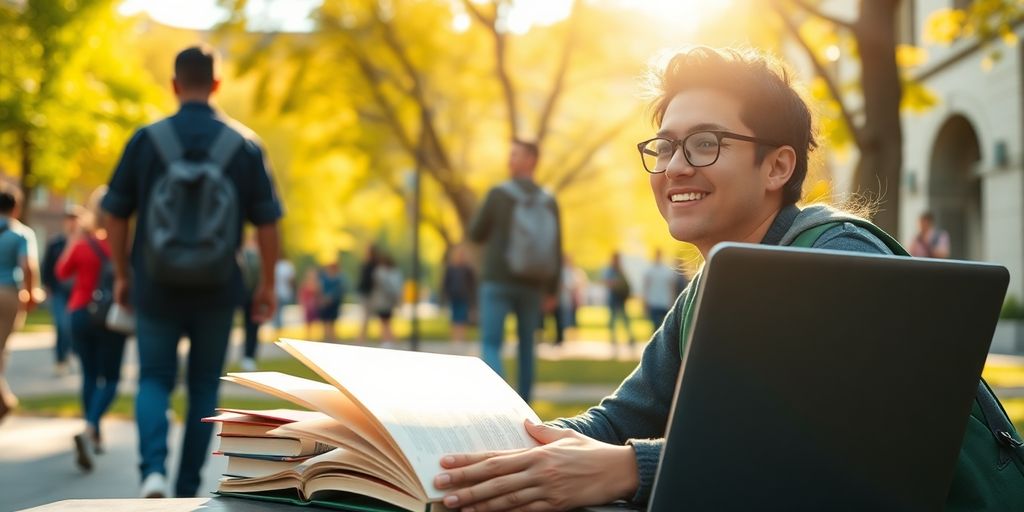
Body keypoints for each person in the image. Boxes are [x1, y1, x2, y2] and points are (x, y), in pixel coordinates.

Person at [433, 46, 903, 511]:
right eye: (665, 146)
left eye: (705, 144)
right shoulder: (707, 293)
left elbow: (834, 452)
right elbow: (616, 421)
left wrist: (632, 468)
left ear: (777, 167)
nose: (675, 167)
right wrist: (470, 455)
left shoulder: (842, 258)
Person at [101, 45, 282, 498]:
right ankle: (185, 490)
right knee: (203, 387)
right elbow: (268, 223)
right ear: (217, 84)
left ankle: (152, 473)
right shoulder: (243, 144)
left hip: (156, 284)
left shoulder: (146, 140)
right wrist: (266, 286)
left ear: (175, 84)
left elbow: (114, 213)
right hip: (219, 288)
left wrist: (123, 273)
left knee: (153, 379)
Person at [468, 140, 562, 403]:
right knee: (526, 349)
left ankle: (500, 402)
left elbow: (476, 232)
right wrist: (552, 289)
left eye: (515, 155)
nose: (509, 160)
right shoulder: (548, 200)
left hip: (497, 279)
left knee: (490, 343)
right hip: (532, 284)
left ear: (531, 159)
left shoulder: (498, 194)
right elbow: (556, 246)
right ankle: (524, 406)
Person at [55, 186, 127, 472]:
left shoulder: (84, 245)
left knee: (89, 375)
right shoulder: (124, 247)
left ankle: (91, 431)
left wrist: (75, 238)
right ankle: (90, 428)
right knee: (110, 379)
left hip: (80, 315)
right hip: (112, 317)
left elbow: (61, 273)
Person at [0, 185, 38, 424]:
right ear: (15, 207)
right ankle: (4, 402)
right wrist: (31, 294)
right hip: (8, 294)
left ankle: (3, 402)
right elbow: (28, 266)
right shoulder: (21, 233)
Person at [42, 207, 79, 376]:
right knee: (61, 325)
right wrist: (47, 287)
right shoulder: (56, 243)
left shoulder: (82, 242)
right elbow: (47, 267)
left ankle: (68, 354)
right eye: (69, 219)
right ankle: (60, 359)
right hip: (59, 291)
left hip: (77, 292)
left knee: (72, 325)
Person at [440, 245, 476, 345]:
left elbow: (472, 285)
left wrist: (472, 298)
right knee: (455, 318)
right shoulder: (451, 268)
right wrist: (445, 294)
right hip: (454, 296)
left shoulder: (468, 269)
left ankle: (462, 338)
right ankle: (455, 338)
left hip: (464, 296)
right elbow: (445, 283)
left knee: (462, 317)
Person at [238, 233, 262, 371]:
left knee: (252, 327)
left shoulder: (252, 256)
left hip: (251, 296)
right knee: (252, 327)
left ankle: (248, 357)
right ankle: (248, 357)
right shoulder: (252, 256)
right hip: (248, 296)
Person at [603, 251, 635, 352]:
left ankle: (630, 338)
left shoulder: (620, 270)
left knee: (624, 319)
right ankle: (614, 339)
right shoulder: (610, 270)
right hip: (613, 298)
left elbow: (625, 283)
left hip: (620, 298)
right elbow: (606, 282)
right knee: (613, 320)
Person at [369, 253, 402, 348]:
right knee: (386, 322)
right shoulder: (394, 273)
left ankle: (387, 340)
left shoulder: (381, 273)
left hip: (383, 301)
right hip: (387, 301)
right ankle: (388, 339)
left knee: (384, 322)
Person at [642, 248, 679, 332]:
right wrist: (645, 301)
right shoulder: (650, 270)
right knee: (656, 325)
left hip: (664, 301)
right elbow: (646, 286)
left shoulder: (666, 270)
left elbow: (672, 287)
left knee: (664, 326)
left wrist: (672, 300)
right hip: (653, 302)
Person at [356, 244, 379, 343]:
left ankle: (362, 337)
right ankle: (362, 337)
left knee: (367, 316)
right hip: (365, 292)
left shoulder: (372, 264)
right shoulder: (368, 263)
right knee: (366, 316)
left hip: (369, 293)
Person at [317, 261, 345, 342]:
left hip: (334, 302)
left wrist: (331, 297)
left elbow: (339, 291)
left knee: (332, 321)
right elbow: (320, 289)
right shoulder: (324, 278)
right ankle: (326, 337)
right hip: (325, 302)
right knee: (325, 321)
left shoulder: (338, 279)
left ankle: (332, 338)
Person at [272, 257, 295, 333]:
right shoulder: (287, 265)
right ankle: (278, 328)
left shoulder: (274, 265)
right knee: (279, 312)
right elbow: (291, 280)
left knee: (277, 312)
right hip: (284, 292)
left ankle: (277, 328)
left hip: (276, 292)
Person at [298, 267, 321, 340]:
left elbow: (319, 295)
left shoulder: (317, 284)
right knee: (308, 323)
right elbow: (302, 295)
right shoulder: (305, 283)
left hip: (315, 306)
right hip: (308, 306)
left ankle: (315, 337)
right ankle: (308, 337)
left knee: (316, 322)